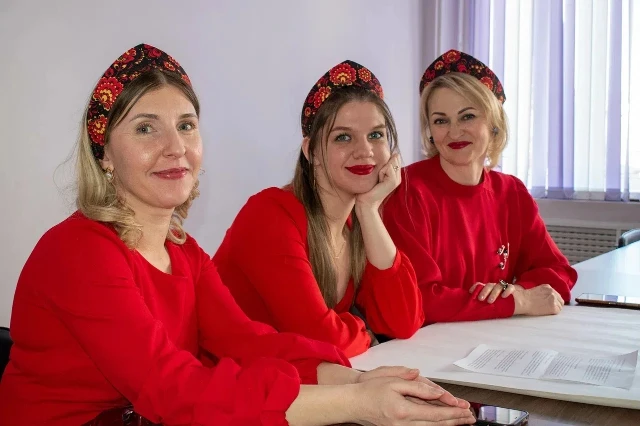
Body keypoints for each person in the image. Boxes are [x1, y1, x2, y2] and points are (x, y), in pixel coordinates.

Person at [0, 44, 475, 426]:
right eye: (146, 129)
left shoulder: (183, 252)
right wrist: (358, 402)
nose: (175, 147)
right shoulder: (80, 251)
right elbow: (170, 387)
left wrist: (354, 380)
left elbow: (248, 342)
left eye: (186, 126)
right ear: (104, 153)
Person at [213, 60, 424, 358]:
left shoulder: (353, 226)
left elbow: (403, 322)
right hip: (231, 379)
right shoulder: (270, 214)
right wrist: (363, 330)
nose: (365, 150)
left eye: (376, 135)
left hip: (295, 379)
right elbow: (319, 338)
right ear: (310, 151)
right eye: (343, 137)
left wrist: (368, 210)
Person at [383, 49, 578, 324]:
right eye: (441, 120)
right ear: (430, 131)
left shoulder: (512, 193)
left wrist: (516, 291)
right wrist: (515, 302)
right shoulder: (406, 192)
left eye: (467, 116)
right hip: (428, 343)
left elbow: (558, 271)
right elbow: (420, 299)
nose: (454, 132)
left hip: (493, 336)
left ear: (494, 123)